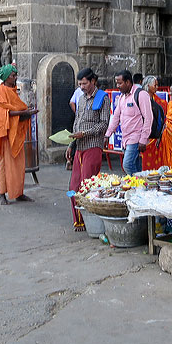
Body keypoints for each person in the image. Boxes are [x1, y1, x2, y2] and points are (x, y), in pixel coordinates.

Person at [67, 68, 111, 227]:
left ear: (93, 81)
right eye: (80, 84)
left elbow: (104, 124)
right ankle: (78, 220)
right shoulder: (81, 98)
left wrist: (85, 133)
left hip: (93, 146)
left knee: (87, 184)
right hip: (79, 147)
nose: (82, 87)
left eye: (84, 84)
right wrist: (71, 144)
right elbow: (77, 122)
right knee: (74, 185)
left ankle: (90, 221)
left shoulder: (103, 98)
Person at [0, 65, 38, 205]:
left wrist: (27, 112)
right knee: (5, 165)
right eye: (13, 75)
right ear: (5, 78)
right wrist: (25, 112)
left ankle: (18, 193)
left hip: (16, 133)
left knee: (19, 165)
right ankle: (2, 194)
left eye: (16, 75)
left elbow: (16, 109)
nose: (15, 78)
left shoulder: (13, 91)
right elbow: (4, 114)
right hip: (5, 134)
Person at [104, 69, 153, 175]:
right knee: (136, 167)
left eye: (120, 83)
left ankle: (137, 182)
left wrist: (143, 139)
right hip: (125, 139)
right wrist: (107, 134)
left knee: (127, 165)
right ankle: (139, 184)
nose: (118, 86)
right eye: (117, 83)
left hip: (136, 138)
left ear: (128, 82)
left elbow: (148, 118)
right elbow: (116, 117)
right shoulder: (122, 97)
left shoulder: (141, 94)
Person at [140, 75, 166, 171]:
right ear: (148, 86)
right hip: (144, 138)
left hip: (157, 138)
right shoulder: (140, 99)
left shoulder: (160, 102)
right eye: (155, 85)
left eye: (157, 85)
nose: (157, 87)